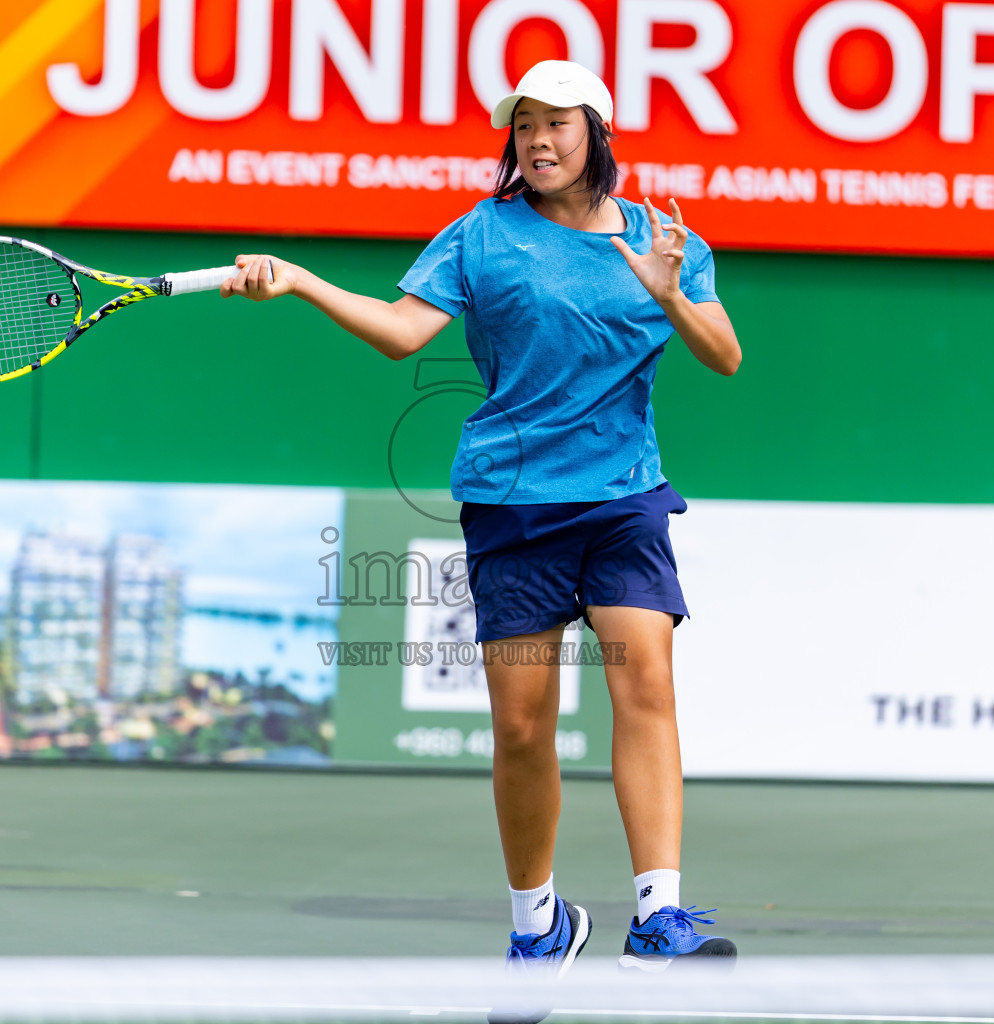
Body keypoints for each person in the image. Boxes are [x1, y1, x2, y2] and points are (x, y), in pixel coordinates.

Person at [220, 60, 742, 979]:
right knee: (520, 728)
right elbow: (400, 333)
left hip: (624, 497)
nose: (538, 141)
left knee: (647, 685)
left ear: (599, 135)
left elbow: (726, 356)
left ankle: (660, 915)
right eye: (524, 126)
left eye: (558, 124)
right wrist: (300, 281)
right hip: (511, 505)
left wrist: (667, 291)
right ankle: (538, 920)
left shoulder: (666, 238)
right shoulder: (482, 235)